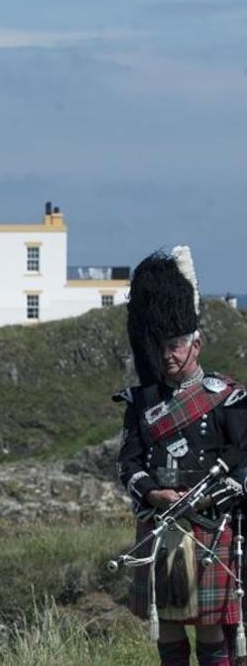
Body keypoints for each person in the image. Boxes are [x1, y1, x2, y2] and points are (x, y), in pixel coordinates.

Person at [116, 246, 247, 666]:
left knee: (210, 625)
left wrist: (212, 497)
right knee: (168, 626)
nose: (168, 355)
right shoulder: (141, 403)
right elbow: (128, 464)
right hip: (160, 523)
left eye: (175, 344)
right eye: (161, 345)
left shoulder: (227, 398)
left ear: (196, 343)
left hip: (210, 524)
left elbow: (244, 462)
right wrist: (154, 495)